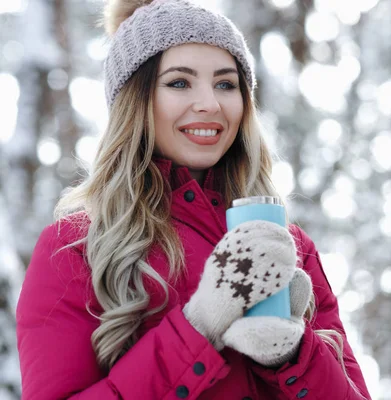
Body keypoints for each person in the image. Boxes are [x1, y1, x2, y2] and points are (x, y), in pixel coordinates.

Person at [16, 0, 372, 399]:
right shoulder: (75, 247)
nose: (210, 104)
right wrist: (200, 324)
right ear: (135, 102)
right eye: (179, 83)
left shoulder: (290, 245)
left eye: (225, 84)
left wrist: (293, 354)